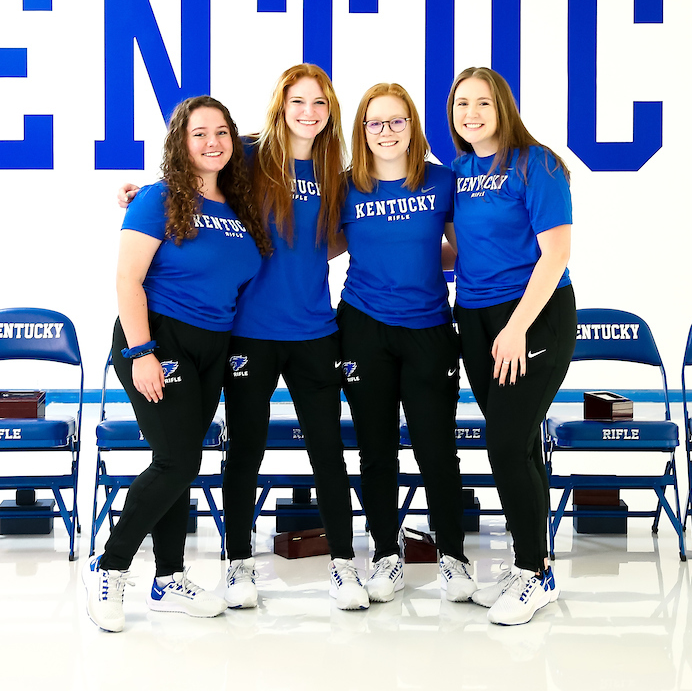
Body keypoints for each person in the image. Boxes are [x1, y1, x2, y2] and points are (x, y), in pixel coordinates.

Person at [118, 65, 365, 610]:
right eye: (297, 101)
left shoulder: (335, 171)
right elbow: (196, 166)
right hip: (248, 332)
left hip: (315, 329)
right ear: (280, 106)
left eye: (319, 103)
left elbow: (338, 236)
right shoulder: (249, 153)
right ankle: (237, 564)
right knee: (244, 452)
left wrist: (310, 254)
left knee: (328, 451)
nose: (308, 112)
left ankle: (344, 565)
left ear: (330, 111)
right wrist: (143, 191)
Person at [84, 96, 272, 633]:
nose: (213, 142)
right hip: (160, 340)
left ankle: (168, 579)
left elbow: (275, 139)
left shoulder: (238, 202)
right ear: (179, 143)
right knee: (177, 460)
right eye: (199, 134)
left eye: (222, 132)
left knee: (180, 459)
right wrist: (142, 352)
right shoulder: (158, 198)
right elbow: (128, 280)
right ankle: (110, 568)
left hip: (214, 345)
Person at [336, 82, 476, 604]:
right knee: (376, 450)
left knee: (436, 450)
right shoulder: (345, 185)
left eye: (398, 120)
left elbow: (466, 249)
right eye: (375, 122)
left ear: (413, 126)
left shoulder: (441, 181)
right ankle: (385, 556)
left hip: (429, 330)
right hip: (363, 326)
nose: (387, 131)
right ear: (362, 130)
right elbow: (309, 245)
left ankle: (453, 558)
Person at [446, 67, 575, 626]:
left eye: (482, 103)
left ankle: (533, 573)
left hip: (531, 317)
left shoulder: (537, 164)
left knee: (504, 443)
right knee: (518, 446)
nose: (471, 114)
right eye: (461, 104)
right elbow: (462, 250)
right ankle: (533, 564)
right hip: (474, 318)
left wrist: (518, 326)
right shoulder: (458, 171)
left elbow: (556, 254)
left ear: (503, 107)